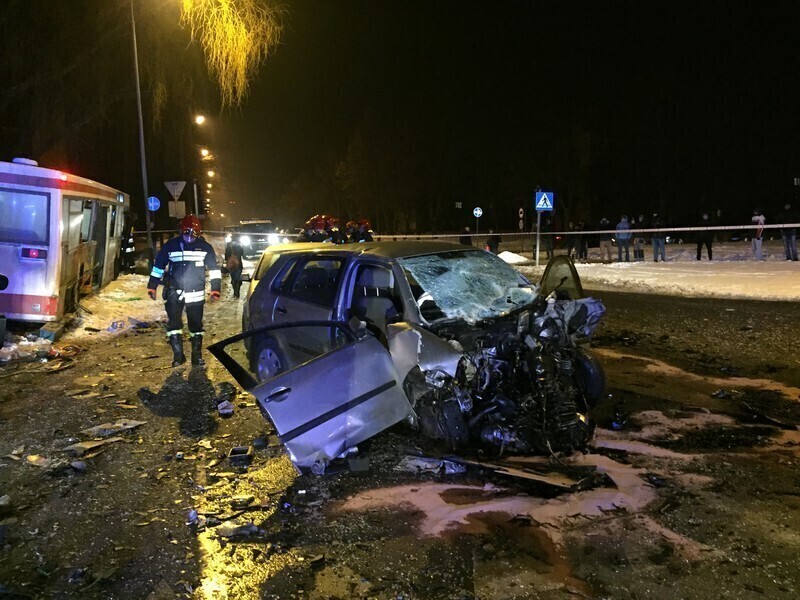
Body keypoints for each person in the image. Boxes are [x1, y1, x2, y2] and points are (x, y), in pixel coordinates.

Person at [147, 215, 221, 367]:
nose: (189, 236)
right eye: (186, 232)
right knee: (174, 325)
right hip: (174, 292)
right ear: (181, 230)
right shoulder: (171, 245)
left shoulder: (205, 247)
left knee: (196, 326)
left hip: (196, 293)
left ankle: (196, 356)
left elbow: (214, 270)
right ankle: (178, 356)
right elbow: (159, 266)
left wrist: (216, 289)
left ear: (198, 232)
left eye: (193, 233)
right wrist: (152, 285)